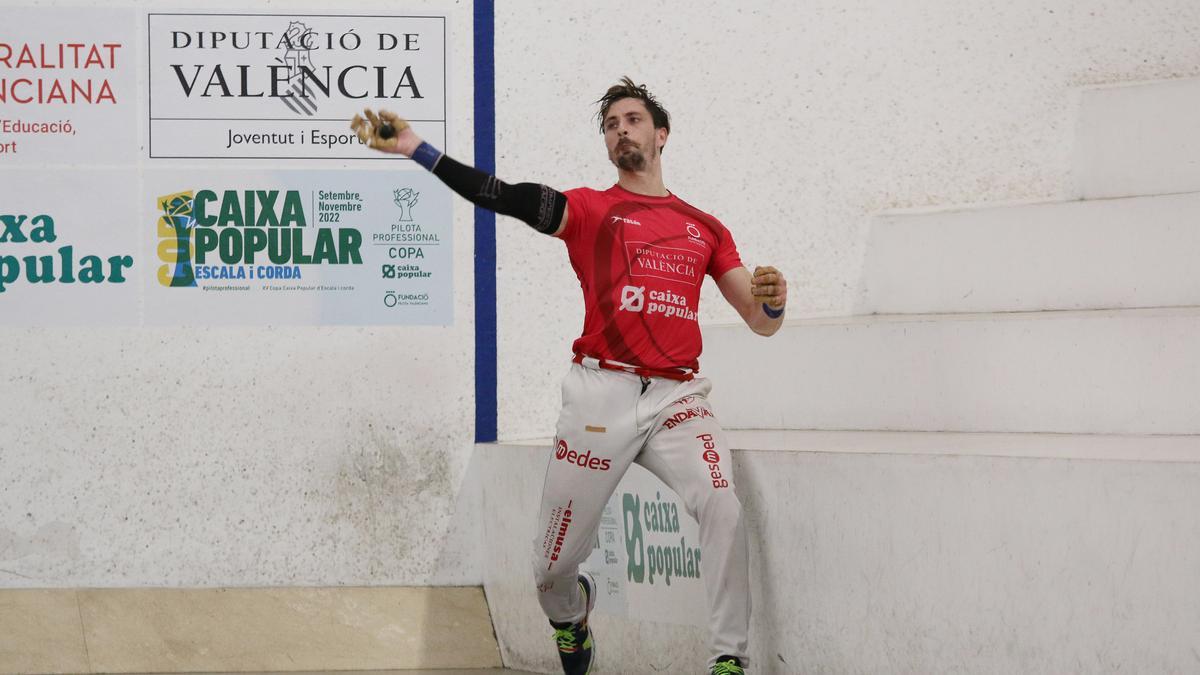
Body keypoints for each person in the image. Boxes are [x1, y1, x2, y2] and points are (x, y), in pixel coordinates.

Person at [352, 77, 787, 675]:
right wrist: (415, 148)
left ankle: (728, 661)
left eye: (632, 120)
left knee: (722, 505)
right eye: (611, 125)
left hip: (677, 396)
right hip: (598, 399)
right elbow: (500, 195)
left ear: (661, 135)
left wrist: (775, 300)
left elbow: (760, 320)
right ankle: (572, 618)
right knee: (550, 570)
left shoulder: (704, 228)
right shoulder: (587, 209)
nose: (620, 131)